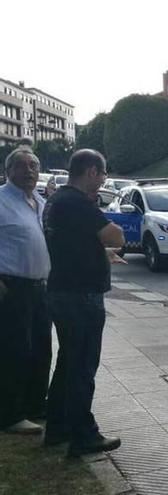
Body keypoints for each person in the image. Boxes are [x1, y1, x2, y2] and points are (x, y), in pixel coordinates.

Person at [43, 149, 125, 456]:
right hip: (81, 296)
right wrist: (110, 241)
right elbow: (114, 235)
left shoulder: (56, 200)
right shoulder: (78, 202)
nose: (104, 179)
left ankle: (57, 427)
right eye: (102, 173)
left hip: (63, 289)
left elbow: (75, 242)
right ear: (91, 172)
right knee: (82, 367)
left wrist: (97, 253)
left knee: (67, 363)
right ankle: (83, 435)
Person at [0, 141, 52, 436]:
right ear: (8, 171)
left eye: (34, 165)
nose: (29, 171)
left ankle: (35, 404)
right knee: (13, 351)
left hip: (40, 287)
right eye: (22, 165)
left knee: (41, 349)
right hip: (11, 288)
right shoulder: (1, 200)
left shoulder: (39, 203)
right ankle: (10, 414)